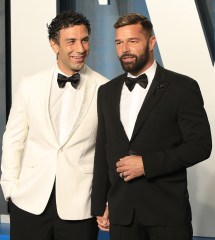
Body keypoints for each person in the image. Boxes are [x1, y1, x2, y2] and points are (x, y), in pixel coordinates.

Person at [91, 13, 212, 240]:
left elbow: (201, 145)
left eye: (132, 41)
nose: (125, 48)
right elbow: (103, 150)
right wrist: (102, 203)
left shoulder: (182, 87)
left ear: (152, 42)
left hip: (167, 215)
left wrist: (147, 164)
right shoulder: (106, 92)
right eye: (119, 42)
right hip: (122, 215)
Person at [0, 11, 108, 240]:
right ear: (54, 44)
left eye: (85, 39)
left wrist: (105, 199)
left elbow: (110, 149)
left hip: (81, 206)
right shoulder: (29, 85)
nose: (80, 48)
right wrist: (10, 189)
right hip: (29, 202)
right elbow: (13, 140)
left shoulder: (105, 89)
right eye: (71, 41)